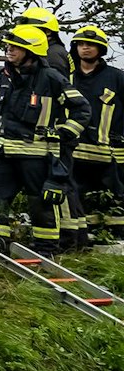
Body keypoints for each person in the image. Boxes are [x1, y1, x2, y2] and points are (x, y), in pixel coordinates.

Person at [0, 23, 91, 255]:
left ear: (31, 52)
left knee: (42, 205)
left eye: (15, 47)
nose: (9, 50)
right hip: (3, 154)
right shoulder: (0, 78)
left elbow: (82, 109)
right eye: (8, 46)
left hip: (37, 156)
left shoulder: (51, 79)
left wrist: (64, 133)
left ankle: (46, 252)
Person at [64, 25, 124, 248]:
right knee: (78, 196)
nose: (85, 48)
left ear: (101, 49)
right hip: (73, 150)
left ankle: (114, 239)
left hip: (108, 153)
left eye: (90, 45)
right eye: (80, 44)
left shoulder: (117, 78)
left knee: (114, 197)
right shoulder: (66, 77)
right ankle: (84, 241)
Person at [14, 6, 72, 75]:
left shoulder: (53, 55)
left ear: (48, 31)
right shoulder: (43, 51)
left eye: (31, 30)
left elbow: (55, 84)